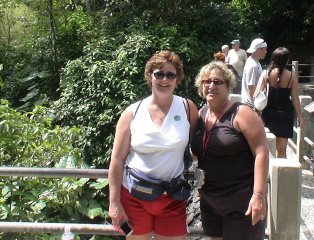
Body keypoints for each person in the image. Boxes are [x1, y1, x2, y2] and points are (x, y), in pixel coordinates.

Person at [108, 50, 199, 239]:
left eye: (170, 75)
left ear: (177, 79)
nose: (164, 80)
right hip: (134, 197)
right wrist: (114, 203)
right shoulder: (132, 112)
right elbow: (117, 159)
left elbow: (194, 145)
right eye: (159, 74)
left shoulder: (187, 108)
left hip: (172, 197)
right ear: (150, 76)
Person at [191, 61, 269, 240]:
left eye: (218, 82)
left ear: (228, 85)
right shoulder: (200, 114)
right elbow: (194, 151)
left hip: (240, 199)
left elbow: (261, 152)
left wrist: (259, 194)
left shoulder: (242, 113)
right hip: (209, 198)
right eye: (206, 81)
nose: (211, 86)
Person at [254, 47, 303, 158]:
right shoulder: (292, 76)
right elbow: (295, 98)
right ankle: (280, 173)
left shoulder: (266, 73)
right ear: (287, 60)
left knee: (265, 147)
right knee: (281, 149)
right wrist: (300, 117)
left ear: (273, 59)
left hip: (268, 113)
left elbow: (256, 95)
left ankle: (266, 173)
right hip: (285, 114)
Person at [241, 38, 268, 108]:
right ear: (259, 50)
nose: (266, 52)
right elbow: (250, 87)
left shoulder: (255, 62)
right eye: (265, 49)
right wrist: (256, 105)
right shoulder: (253, 65)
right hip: (250, 105)